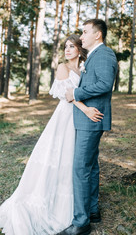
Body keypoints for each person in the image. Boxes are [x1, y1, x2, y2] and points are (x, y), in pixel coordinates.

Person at [0, 34, 103, 235]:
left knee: (75, 160)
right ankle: (52, 205)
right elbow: (67, 95)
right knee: (60, 156)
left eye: (71, 46)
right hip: (66, 116)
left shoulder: (83, 67)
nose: (67, 50)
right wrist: (85, 109)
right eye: (65, 47)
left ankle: (76, 204)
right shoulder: (63, 67)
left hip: (80, 120)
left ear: (79, 49)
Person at [57, 19, 118, 235]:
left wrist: (76, 94)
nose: (81, 37)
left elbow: (104, 84)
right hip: (88, 118)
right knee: (90, 166)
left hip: (92, 118)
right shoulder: (93, 56)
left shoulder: (104, 54)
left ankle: (81, 222)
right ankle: (92, 211)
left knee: (81, 168)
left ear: (97, 35)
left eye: (84, 32)